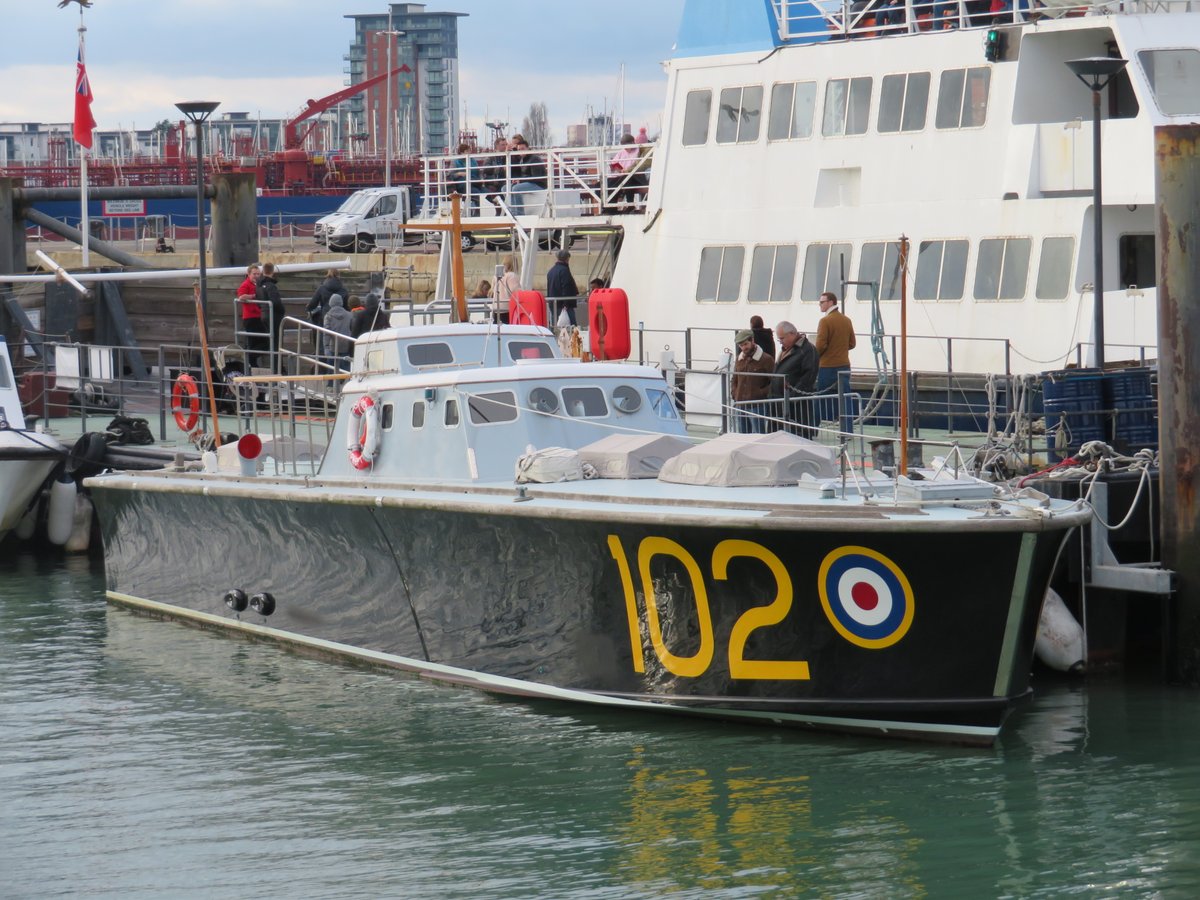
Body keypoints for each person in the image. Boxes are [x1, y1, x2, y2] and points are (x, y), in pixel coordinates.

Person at [815, 291, 856, 424]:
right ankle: (847, 429)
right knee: (845, 398)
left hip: (827, 366)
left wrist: (815, 357)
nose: (820, 305)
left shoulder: (824, 321)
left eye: (822, 302)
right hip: (844, 365)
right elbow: (852, 343)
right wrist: (839, 349)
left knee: (820, 398)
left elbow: (820, 345)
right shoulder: (846, 320)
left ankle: (816, 428)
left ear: (831, 302)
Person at [771, 321, 819, 432]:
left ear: (792, 334)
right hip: (779, 402)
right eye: (779, 339)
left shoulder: (807, 350)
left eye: (782, 338)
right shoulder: (786, 350)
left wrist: (792, 398)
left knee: (797, 435)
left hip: (796, 406)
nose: (780, 342)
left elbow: (809, 377)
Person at [731, 328, 774, 434]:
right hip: (740, 404)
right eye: (741, 345)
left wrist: (761, 393)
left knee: (758, 436)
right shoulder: (739, 359)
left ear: (752, 340)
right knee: (742, 436)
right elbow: (734, 378)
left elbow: (774, 382)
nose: (743, 348)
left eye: (745, 344)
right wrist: (735, 393)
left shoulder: (767, 359)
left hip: (757, 405)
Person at [256, 262, 287, 371]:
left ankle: (276, 367)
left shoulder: (259, 285)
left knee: (271, 342)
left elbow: (258, 301)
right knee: (276, 343)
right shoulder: (270, 285)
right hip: (274, 316)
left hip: (264, 314)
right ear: (272, 271)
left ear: (263, 271)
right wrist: (283, 311)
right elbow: (276, 302)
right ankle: (277, 368)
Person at [237, 262, 267, 369]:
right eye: (254, 274)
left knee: (261, 342)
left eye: (258, 274)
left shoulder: (258, 285)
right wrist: (255, 296)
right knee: (260, 342)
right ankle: (249, 359)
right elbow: (241, 297)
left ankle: (251, 363)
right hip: (251, 318)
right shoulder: (246, 284)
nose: (256, 276)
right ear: (249, 274)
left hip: (258, 317)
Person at [509, 134, 546, 216]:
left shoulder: (534, 159)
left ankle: (519, 213)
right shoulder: (522, 159)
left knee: (516, 188)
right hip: (529, 182)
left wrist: (520, 180)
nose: (520, 151)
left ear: (528, 148)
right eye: (519, 149)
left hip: (539, 184)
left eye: (523, 149)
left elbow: (537, 177)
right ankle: (512, 211)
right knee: (506, 187)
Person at [609, 133, 648, 211]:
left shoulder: (638, 151)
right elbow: (613, 163)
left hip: (636, 177)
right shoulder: (621, 152)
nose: (625, 148)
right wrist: (615, 168)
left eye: (627, 146)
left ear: (633, 142)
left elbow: (638, 166)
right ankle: (611, 207)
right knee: (609, 182)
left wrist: (627, 170)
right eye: (624, 147)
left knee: (627, 179)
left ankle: (629, 204)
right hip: (622, 176)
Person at [546, 248, 579, 325]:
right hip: (564, 305)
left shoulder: (551, 271)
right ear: (567, 258)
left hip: (553, 304)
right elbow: (566, 287)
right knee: (572, 326)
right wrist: (566, 304)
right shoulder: (564, 271)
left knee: (555, 326)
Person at [322, 294, 354, 372]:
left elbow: (326, 333)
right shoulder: (349, 315)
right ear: (341, 302)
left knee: (331, 369)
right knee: (346, 370)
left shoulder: (328, 316)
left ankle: (331, 379)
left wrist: (326, 347)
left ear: (330, 303)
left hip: (333, 346)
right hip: (346, 345)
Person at [491, 255, 521, 323]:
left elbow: (492, 290)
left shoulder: (496, 276)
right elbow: (517, 292)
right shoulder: (512, 276)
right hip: (507, 309)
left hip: (496, 308)